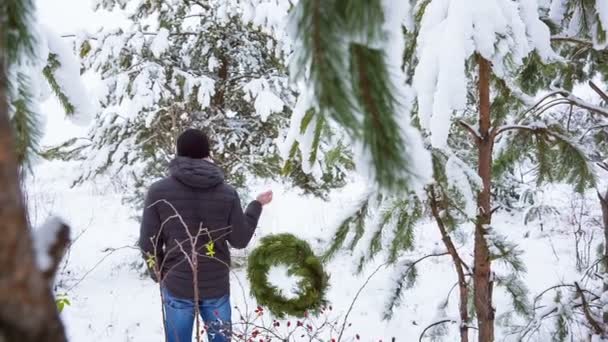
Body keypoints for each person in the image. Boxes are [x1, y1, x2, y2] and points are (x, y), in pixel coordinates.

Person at [139, 128, 273, 342]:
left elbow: (148, 242)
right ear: (207, 154)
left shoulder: (158, 191)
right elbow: (239, 240)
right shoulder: (227, 193)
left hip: (177, 283)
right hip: (215, 286)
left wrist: (159, 273)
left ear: (179, 154)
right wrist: (256, 206)